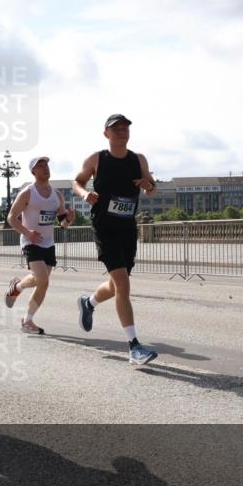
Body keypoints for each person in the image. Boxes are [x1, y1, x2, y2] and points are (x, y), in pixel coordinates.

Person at [73, 113, 158, 365]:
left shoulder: (138, 159)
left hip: (127, 228)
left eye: (125, 128)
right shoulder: (97, 159)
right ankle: (134, 347)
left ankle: (87, 302)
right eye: (116, 128)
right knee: (123, 284)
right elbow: (76, 182)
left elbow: (152, 191)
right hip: (105, 226)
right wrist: (84, 193)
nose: (122, 131)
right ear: (106, 134)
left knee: (117, 285)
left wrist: (148, 184)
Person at [4, 156, 74, 334]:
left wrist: (69, 220)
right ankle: (25, 315)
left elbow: (63, 224)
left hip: (48, 244)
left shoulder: (57, 195)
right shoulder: (28, 193)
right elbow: (11, 217)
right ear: (33, 172)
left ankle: (19, 293)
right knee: (42, 279)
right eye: (40, 166)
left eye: (46, 165)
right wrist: (28, 233)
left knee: (42, 282)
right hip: (30, 241)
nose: (45, 168)